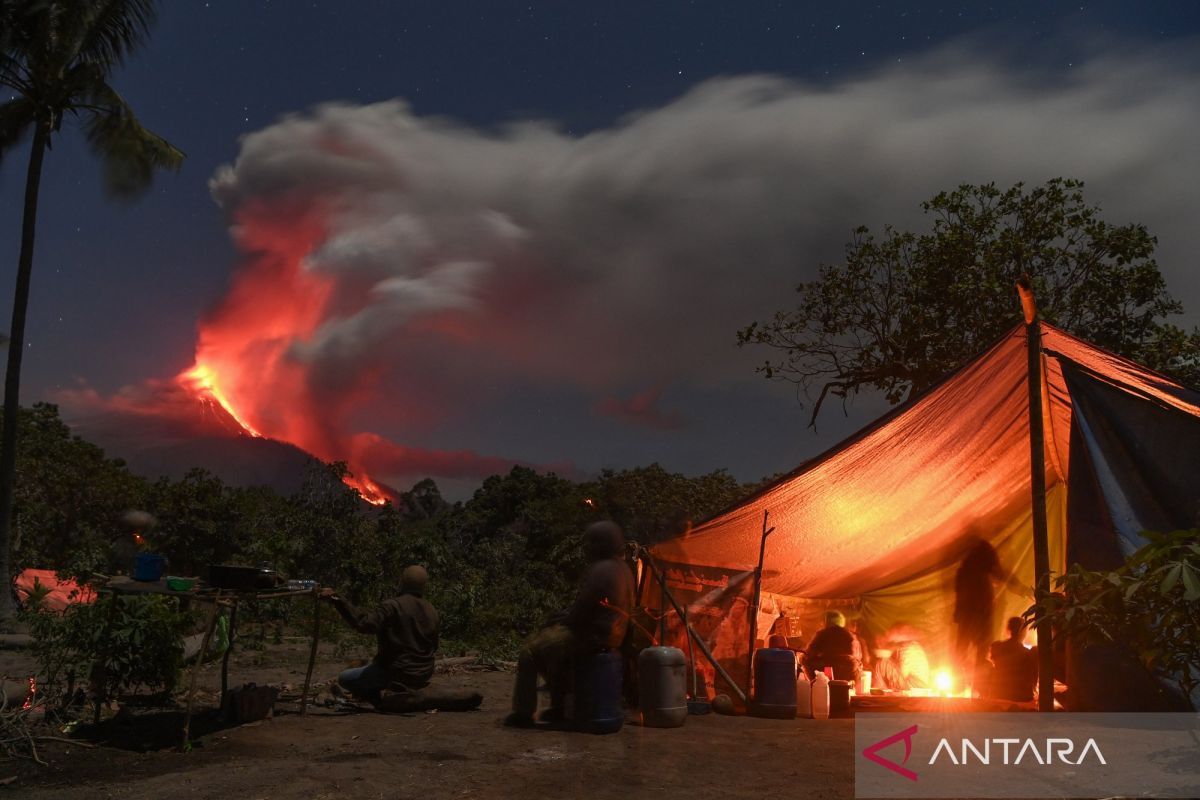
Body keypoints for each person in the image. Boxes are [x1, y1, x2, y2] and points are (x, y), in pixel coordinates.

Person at [505, 520, 635, 727]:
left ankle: (523, 712)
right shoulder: (624, 569)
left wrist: (555, 621)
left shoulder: (602, 570)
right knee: (554, 651)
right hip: (613, 635)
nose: (587, 549)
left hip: (592, 635)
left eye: (591, 544)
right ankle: (560, 706)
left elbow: (580, 613)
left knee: (530, 651)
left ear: (601, 544)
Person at [319, 565, 439, 706]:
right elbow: (434, 646)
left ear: (402, 581)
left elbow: (363, 624)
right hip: (423, 673)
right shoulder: (432, 610)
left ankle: (380, 699)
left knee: (345, 678)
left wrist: (337, 599)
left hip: (397, 673)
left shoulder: (393, 606)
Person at [985, 616, 1037, 702]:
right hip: (1020, 697)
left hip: (998, 694)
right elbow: (1032, 679)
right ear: (1023, 632)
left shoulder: (997, 647)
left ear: (1009, 629)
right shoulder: (1028, 654)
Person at [804, 610, 860, 681]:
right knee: (858, 665)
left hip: (824, 668)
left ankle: (813, 684)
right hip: (847, 671)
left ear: (827, 621)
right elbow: (856, 655)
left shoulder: (822, 633)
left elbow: (809, 652)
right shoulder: (849, 635)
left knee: (804, 659)